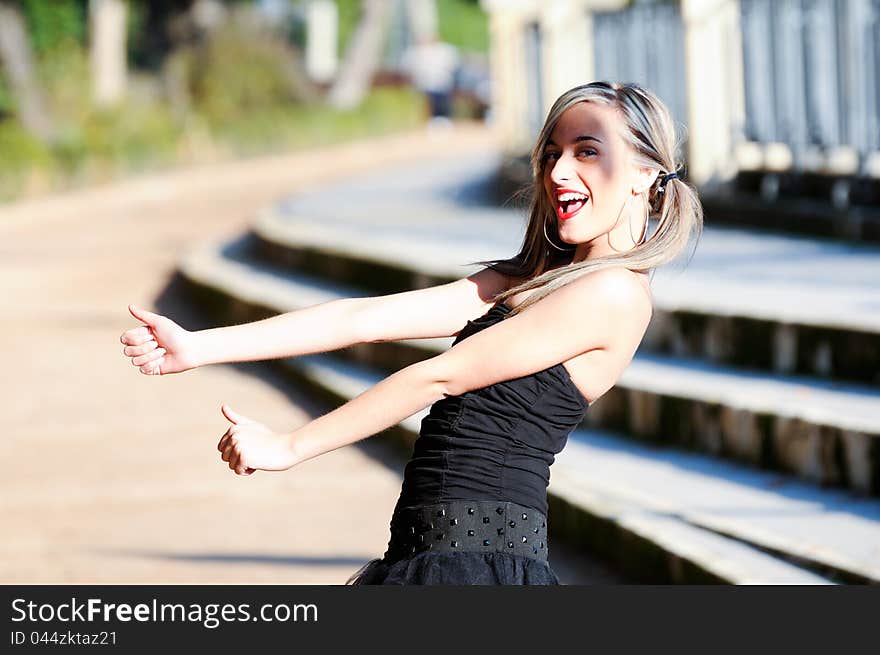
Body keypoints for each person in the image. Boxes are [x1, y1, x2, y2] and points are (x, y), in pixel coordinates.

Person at [119, 81, 703, 585]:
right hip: (428, 552)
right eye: (551, 153)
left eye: (587, 151)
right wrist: (200, 346)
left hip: (480, 568)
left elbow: (438, 376)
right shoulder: (525, 281)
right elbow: (359, 318)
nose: (558, 172)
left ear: (645, 173)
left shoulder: (615, 293)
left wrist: (288, 448)